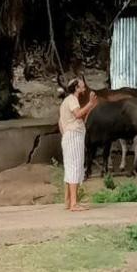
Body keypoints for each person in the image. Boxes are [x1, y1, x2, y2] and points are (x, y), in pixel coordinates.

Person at [59, 76, 96, 212]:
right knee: (74, 168)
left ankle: (69, 201)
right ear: (76, 88)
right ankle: (74, 204)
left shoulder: (67, 101)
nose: (84, 88)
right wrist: (90, 104)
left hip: (70, 136)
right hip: (73, 137)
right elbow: (78, 114)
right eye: (82, 86)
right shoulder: (72, 100)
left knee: (71, 168)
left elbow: (61, 122)